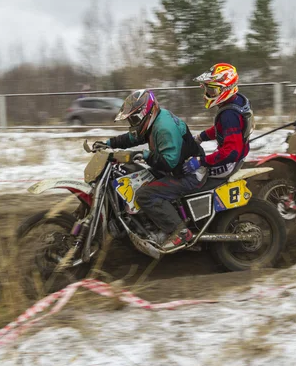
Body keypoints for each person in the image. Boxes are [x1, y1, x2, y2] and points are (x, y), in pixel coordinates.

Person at [105, 89, 205, 251]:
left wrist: (144, 155)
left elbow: (169, 163)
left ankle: (180, 232)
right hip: (177, 167)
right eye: (130, 119)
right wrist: (109, 143)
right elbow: (134, 137)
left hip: (189, 173)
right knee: (136, 176)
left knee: (145, 195)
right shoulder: (154, 120)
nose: (132, 122)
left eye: (134, 118)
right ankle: (149, 223)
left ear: (145, 113)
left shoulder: (163, 128)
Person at [185, 63, 254, 179]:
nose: (208, 94)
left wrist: (201, 161)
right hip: (239, 154)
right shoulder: (237, 101)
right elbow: (222, 128)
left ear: (226, 89)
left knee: (191, 176)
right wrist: (200, 137)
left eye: (212, 90)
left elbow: (231, 153)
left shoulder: (229, 114)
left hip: (229, 163)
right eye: (207, 89)